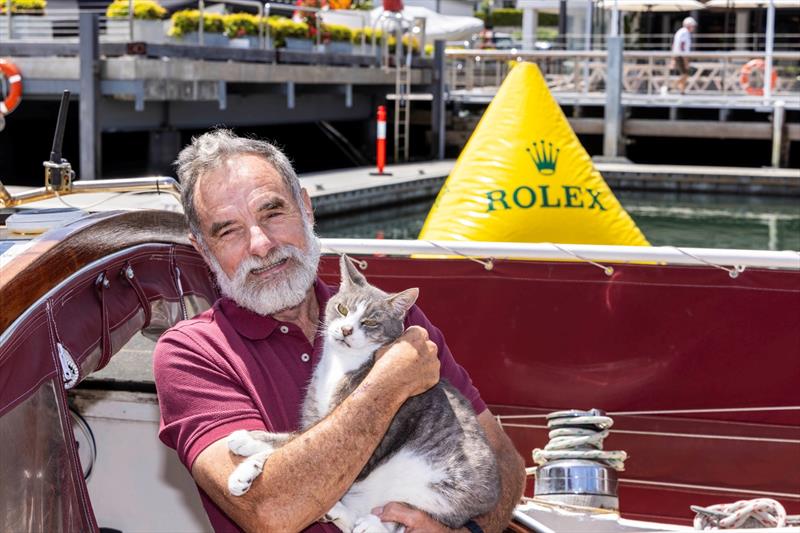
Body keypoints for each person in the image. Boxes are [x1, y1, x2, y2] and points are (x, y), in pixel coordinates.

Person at [153, 129, 526, 533]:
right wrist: (385, 386)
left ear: (307, 210)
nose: (260, 245)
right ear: (202, 251)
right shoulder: (191, 353)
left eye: (273, 213)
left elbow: (503, 461)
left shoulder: (390, 320)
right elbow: (270, 510)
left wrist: (465, 532)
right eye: (229, 231)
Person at [671, 16, 697, 95]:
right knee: (685, 73)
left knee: (685, 73)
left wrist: (673, 57)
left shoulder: (681, 32)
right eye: (693, 26)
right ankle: (671, 87)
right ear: (689, 25)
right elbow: (682, 47)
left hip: (678, 55)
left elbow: (674, 45)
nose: (694, 27)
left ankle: (682, 91)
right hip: (681, 56)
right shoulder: (685, 32)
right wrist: (686, 60)